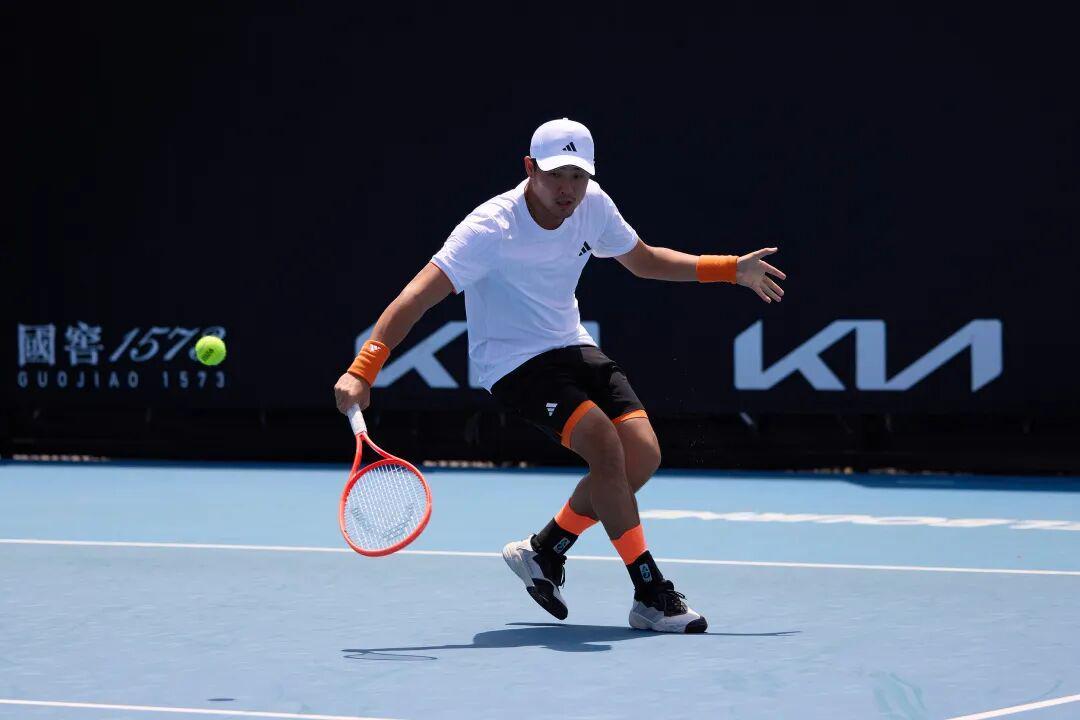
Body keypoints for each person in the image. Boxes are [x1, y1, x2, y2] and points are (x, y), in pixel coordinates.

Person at [334, 118, 786, 633]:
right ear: (530, 168)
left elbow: (644, 261)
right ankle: (650, 593)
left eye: (578, 175)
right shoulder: (489, 228)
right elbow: (416, 296)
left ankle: (545, 550)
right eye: (555, 175)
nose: (568, 188)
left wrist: (731, 268)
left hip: (570, 344)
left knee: (642, 454)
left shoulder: (593, 206)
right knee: (604, 445)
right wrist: (363, 369)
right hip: (512, 363)